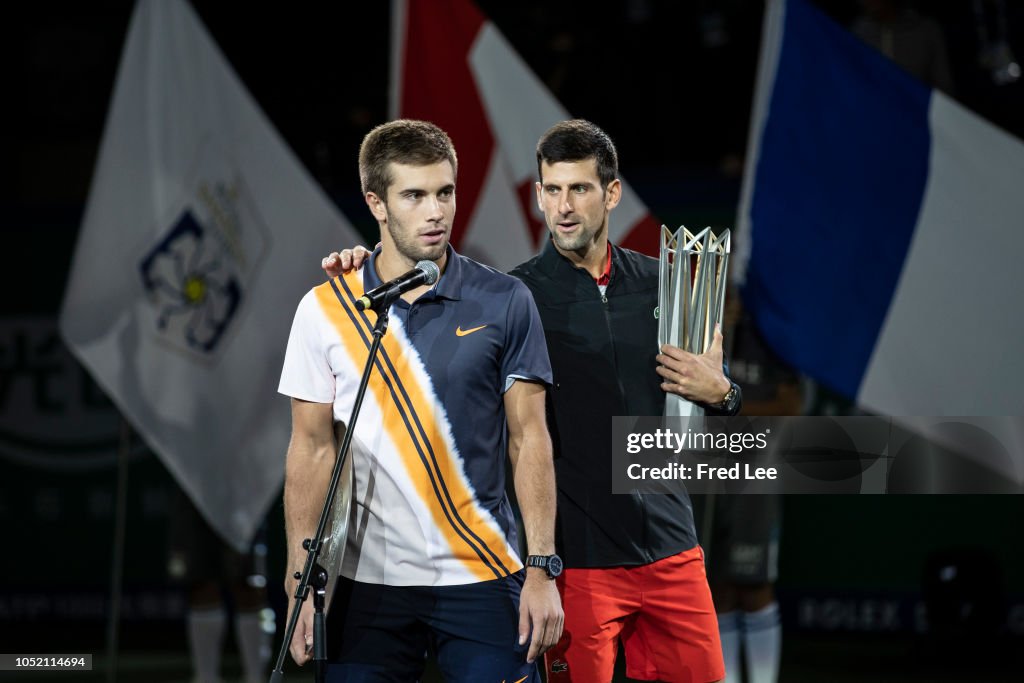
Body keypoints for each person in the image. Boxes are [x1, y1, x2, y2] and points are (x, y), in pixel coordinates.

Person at [325, 119, 739, 683]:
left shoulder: (665, 284)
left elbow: (704, 426)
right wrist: (363, 264)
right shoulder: (511, 298)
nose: (563, 207)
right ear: (538, 195)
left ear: (612, 193)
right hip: (575, 566)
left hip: (674, 554)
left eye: (580, 188)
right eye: (552, 190)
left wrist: (726, 395)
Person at [279, 119, 562, 682]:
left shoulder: (506, 300)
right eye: (414, 196)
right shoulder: (323, 309)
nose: (436, 212)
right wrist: (299, 584)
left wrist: (541, 568)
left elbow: (529, 438)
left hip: (484, 574)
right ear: (376, 204)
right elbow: (311, 450)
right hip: (365, 587)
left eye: (445, 192)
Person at [166, 486, 274, 683]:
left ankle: (256, 677)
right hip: (196, 489)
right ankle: (206, 677)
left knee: (249, 583)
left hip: (244, 491)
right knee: (201, 583)